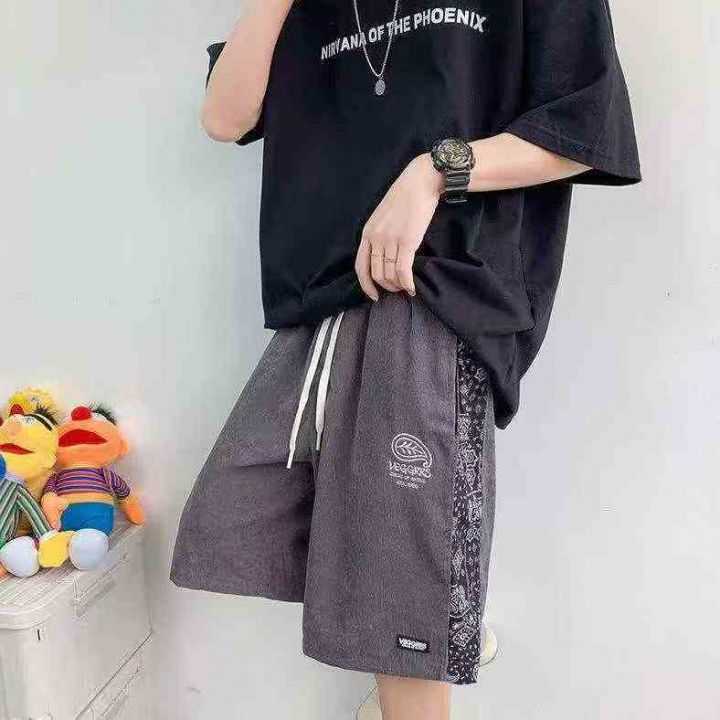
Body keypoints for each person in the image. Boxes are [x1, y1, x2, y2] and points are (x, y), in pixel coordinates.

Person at [171, 0, 640, 717]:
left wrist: (435, 173)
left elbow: (587, 125)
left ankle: (436, 622)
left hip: (436, 296)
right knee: (240, 524)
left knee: (401, 611)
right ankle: (443, 613)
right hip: (320, 306)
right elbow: (224, 117)